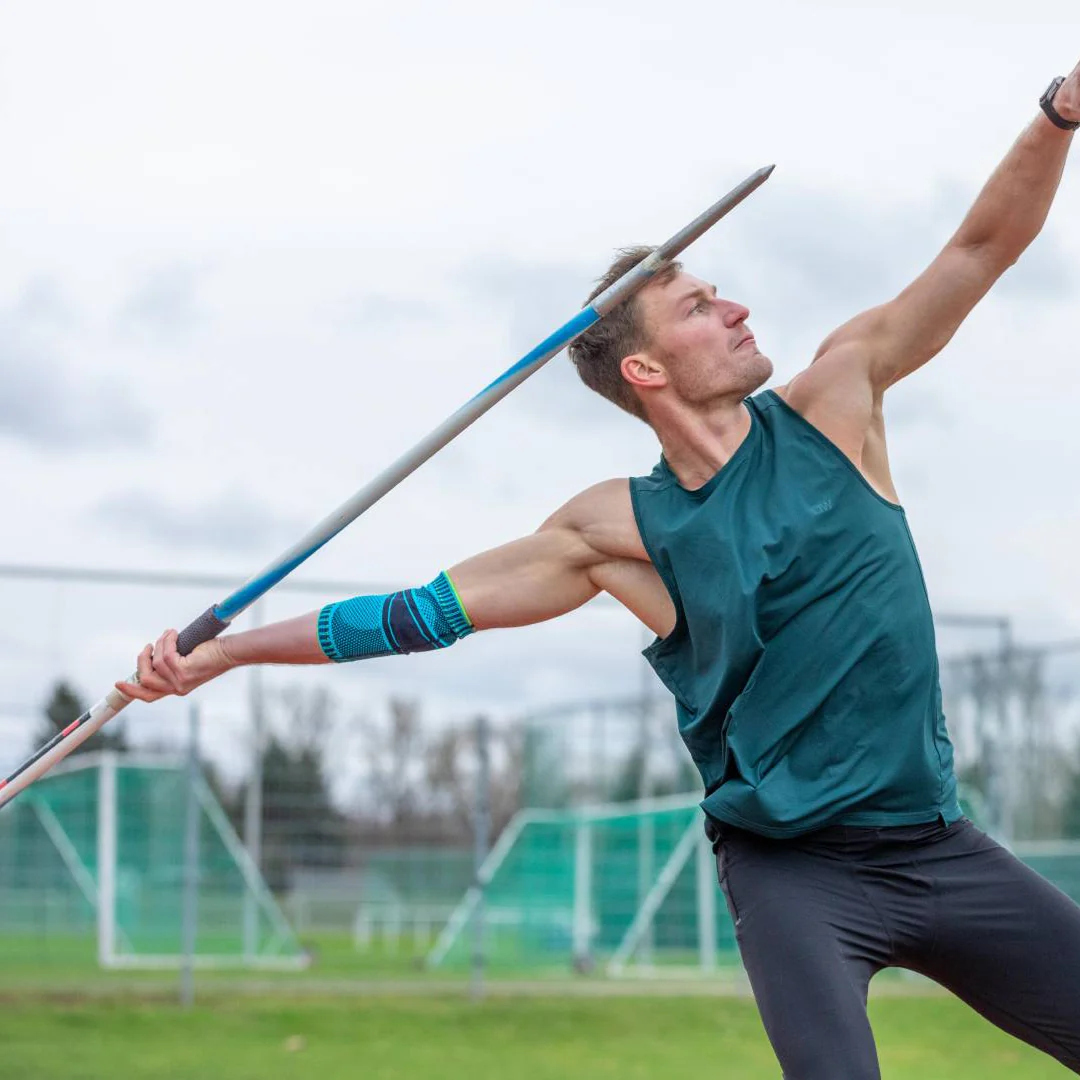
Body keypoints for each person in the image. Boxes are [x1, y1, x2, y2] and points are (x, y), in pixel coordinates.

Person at [119, 64, 1080, 1078]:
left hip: (934, 841)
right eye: (704, 306)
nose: (740, 308)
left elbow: (980, 249)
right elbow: (421, 613)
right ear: (646, 370)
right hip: (794, 871)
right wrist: (225, 654)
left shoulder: (838, 401)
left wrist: (1059, 111)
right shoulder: (617, 528)